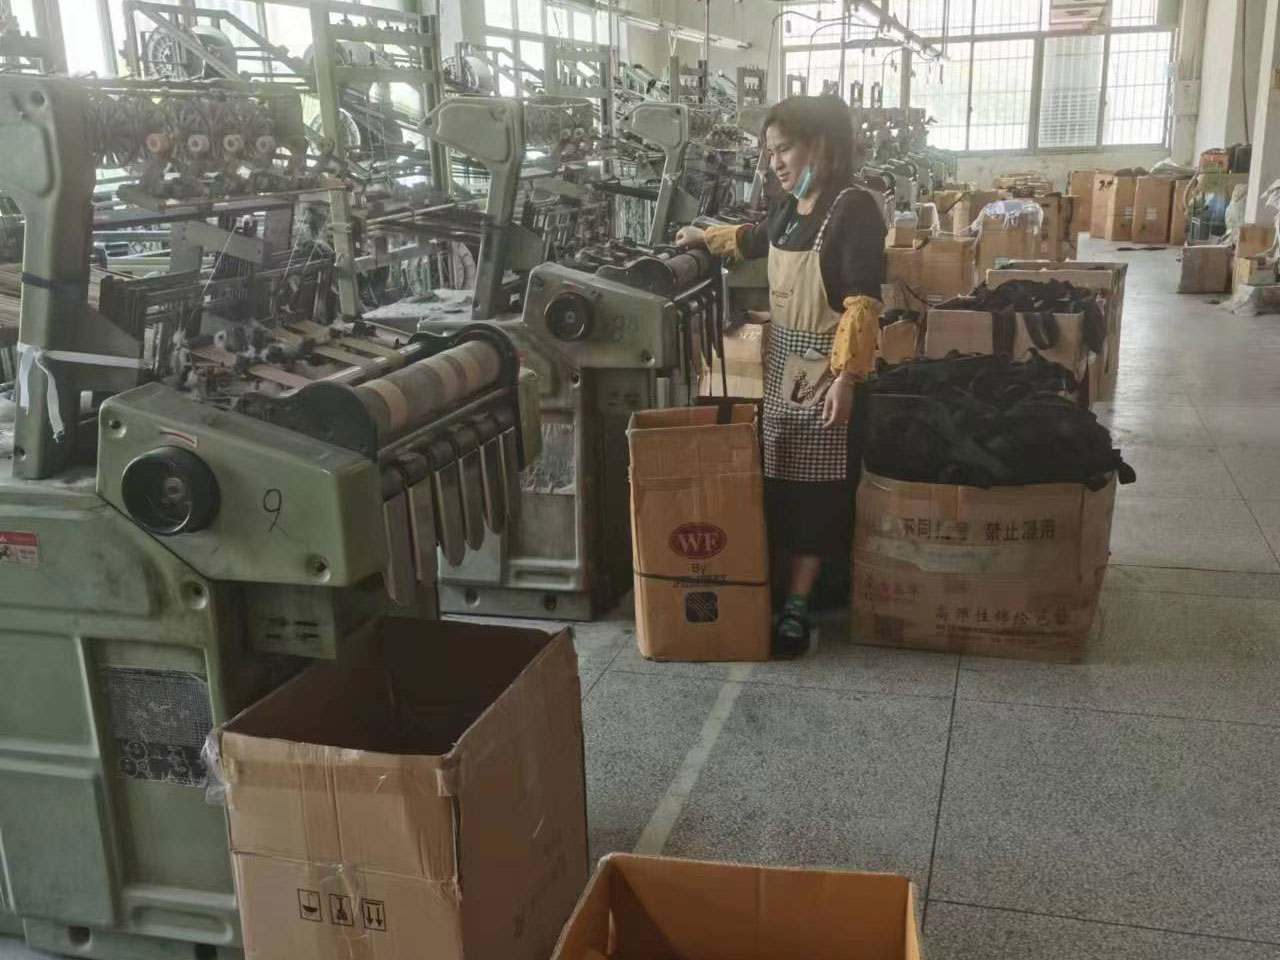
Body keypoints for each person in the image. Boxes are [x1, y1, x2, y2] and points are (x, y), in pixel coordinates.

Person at [676, 94, 887, 658]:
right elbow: (755, 238)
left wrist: (846, 378)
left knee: (818, 494)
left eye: (784, 149)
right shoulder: (790, 207)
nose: (775, 163)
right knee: (781, 480)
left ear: (821, 146)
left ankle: (799, 603)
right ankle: (773, 584)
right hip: (783, 369)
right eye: (770, 153)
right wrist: (704, 239)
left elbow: (863, 301)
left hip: (828, 372)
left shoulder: (852, 209)